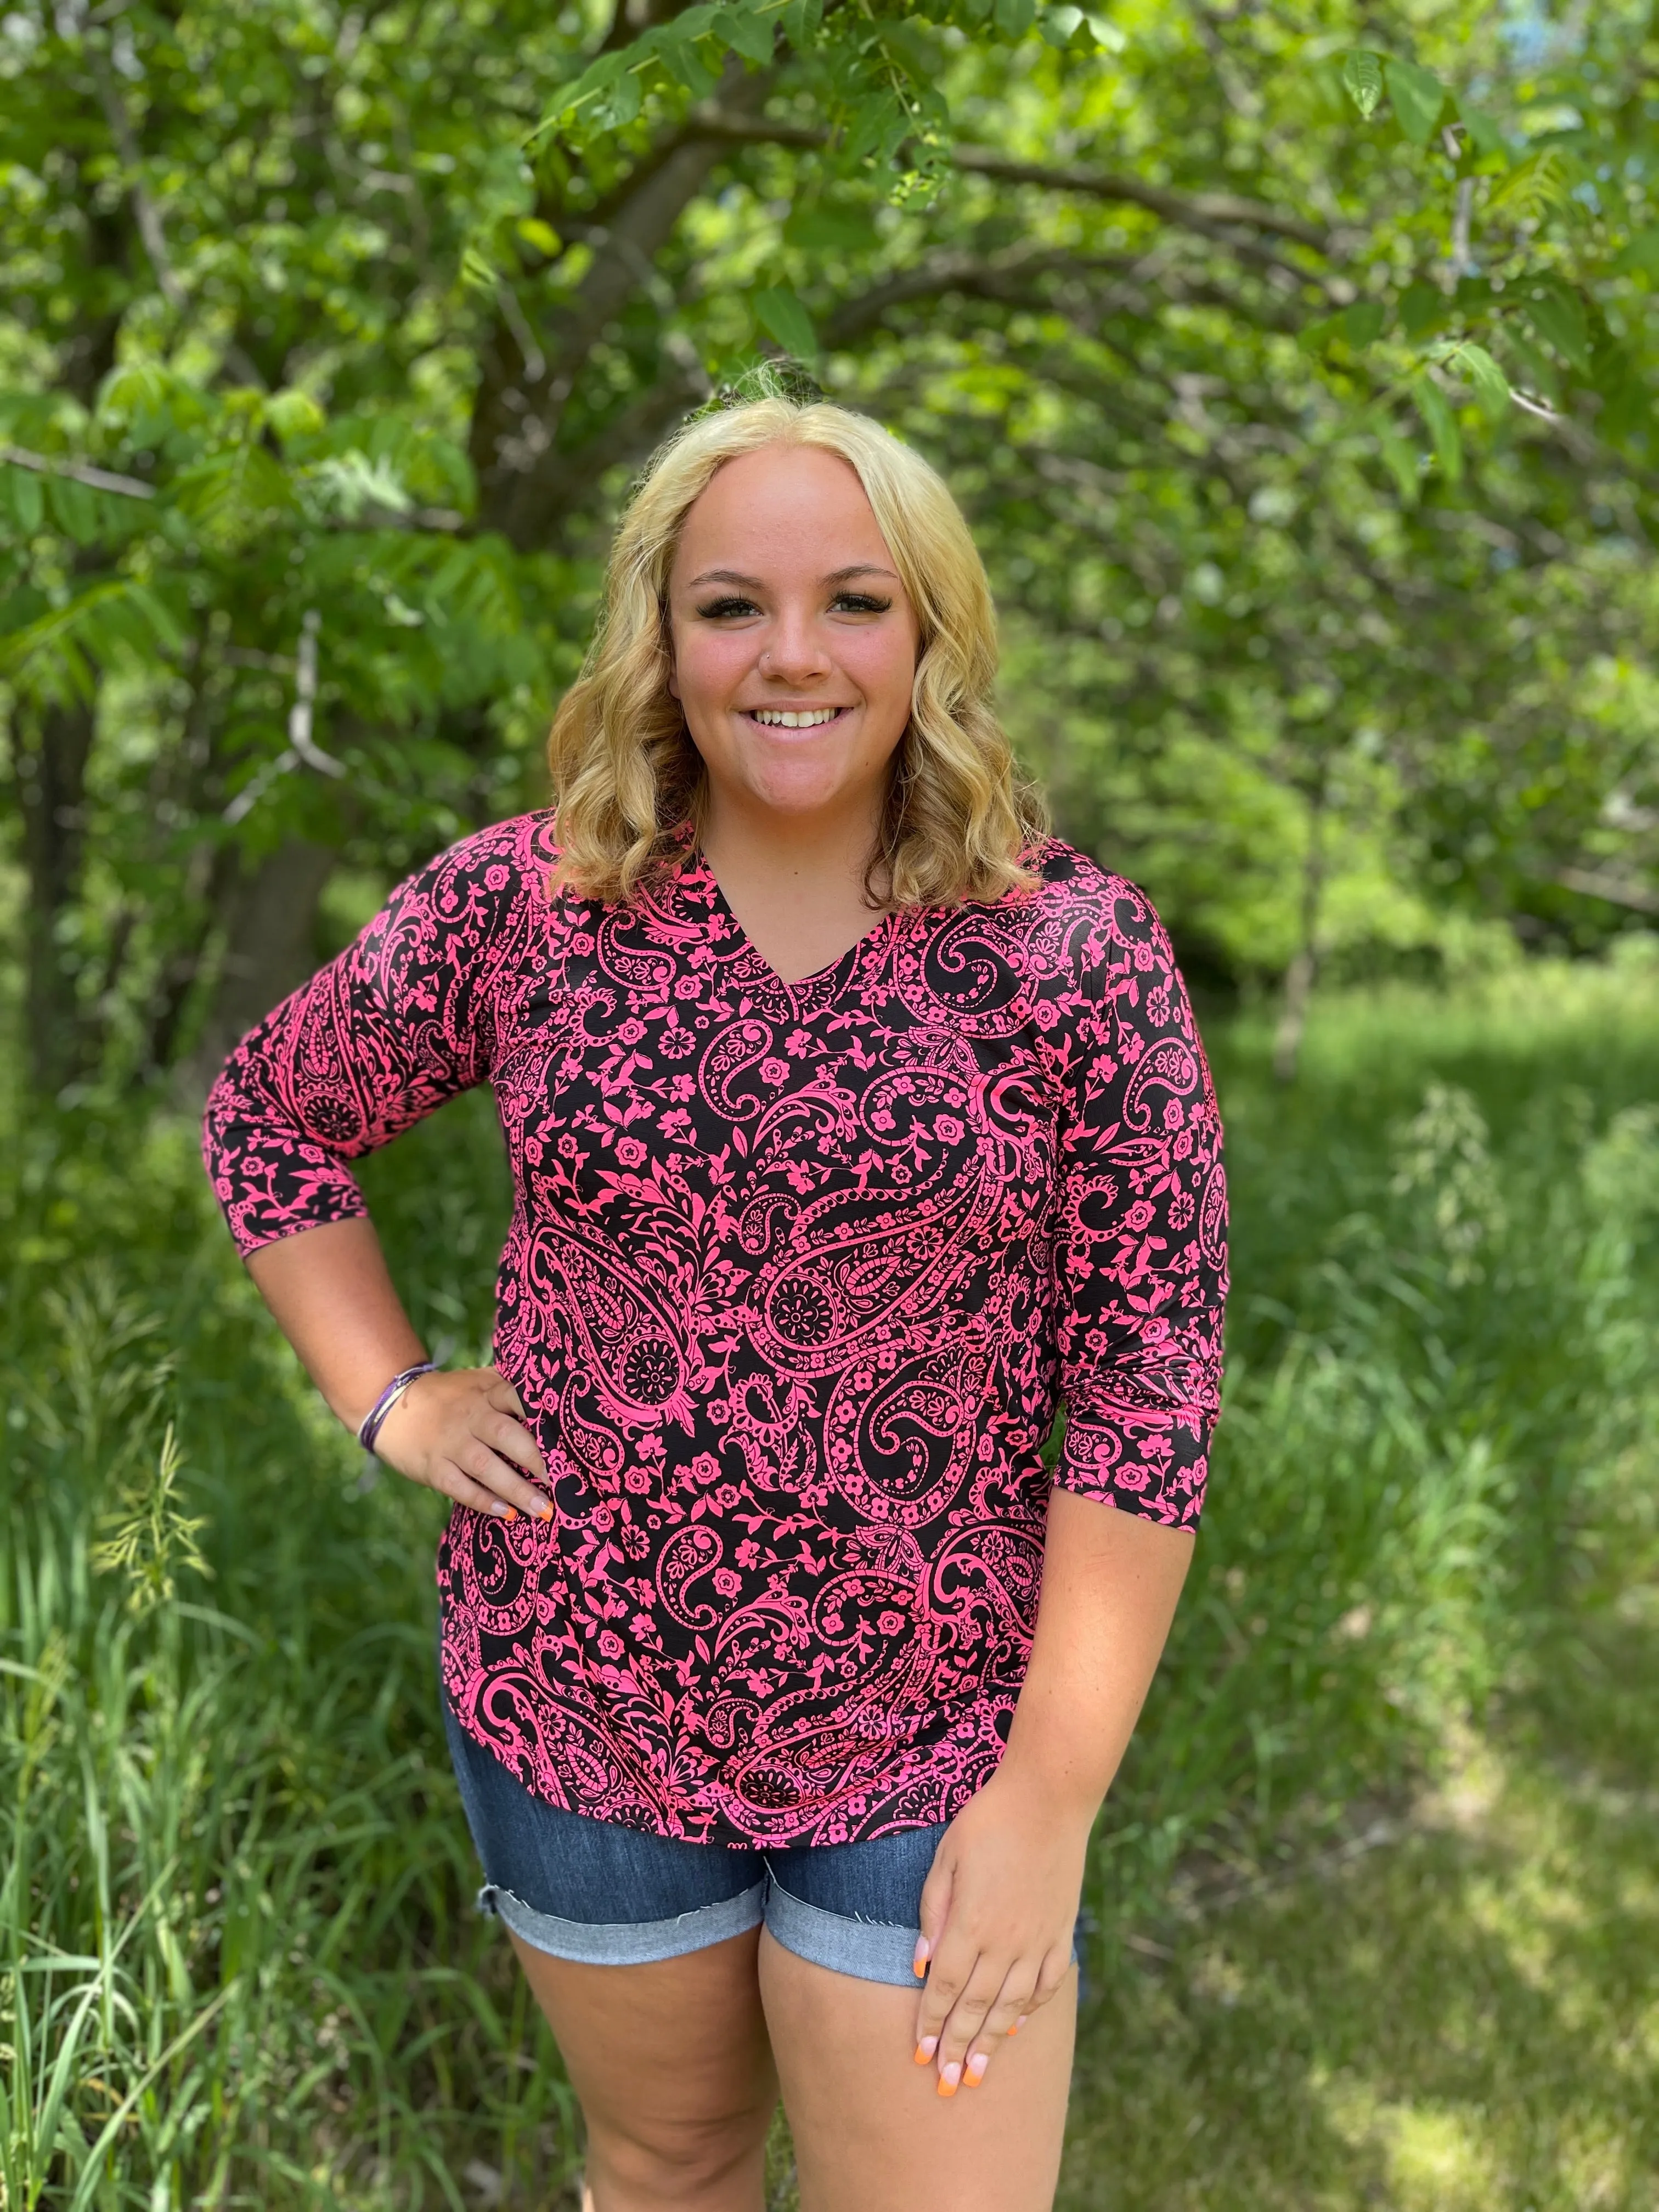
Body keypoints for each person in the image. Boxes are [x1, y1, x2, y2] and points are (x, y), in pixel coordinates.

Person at [202, 381, 1227, 2212]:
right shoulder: (532, 904)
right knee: (665, 2165)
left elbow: (1146, 1397)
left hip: (938, 1722)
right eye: (730, 604)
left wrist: (1052, 1800)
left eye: (853, 599)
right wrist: (397, 1395)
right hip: (575, 1688)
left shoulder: (1073, 949)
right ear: (660, 635)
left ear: (930, 629)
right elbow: (272, 1116)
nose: (792, 655)